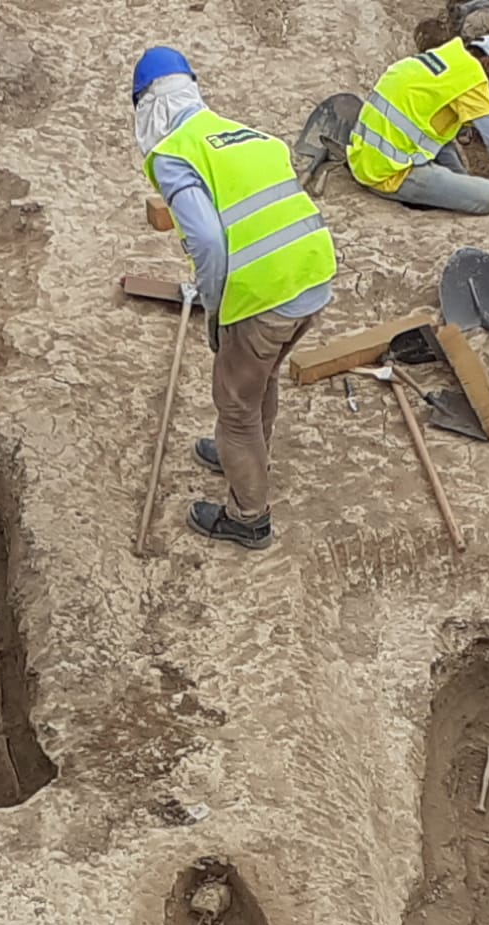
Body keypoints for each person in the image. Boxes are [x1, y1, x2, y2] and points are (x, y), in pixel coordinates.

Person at [135, 46, 337, 551]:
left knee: (235, 405)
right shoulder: (248, 134)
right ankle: (244, 452)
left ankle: (248, 517)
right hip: (312, 273)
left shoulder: (174, 152)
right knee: (258, 381)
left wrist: (217, 309)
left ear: (146, 105)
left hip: (265, 292)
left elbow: (205, 241)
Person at [347, 27, 489, 215]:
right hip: (388, 173)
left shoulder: (451, 61)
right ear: (488, 63)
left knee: (471, 154)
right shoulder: (472, 77)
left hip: (372, 155)